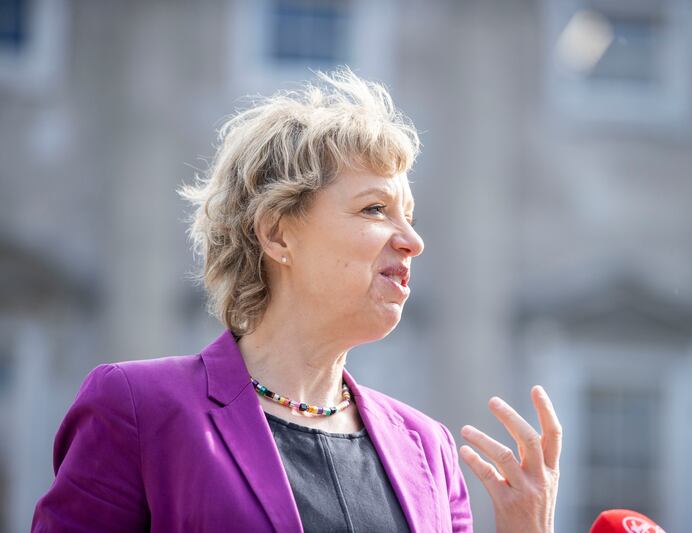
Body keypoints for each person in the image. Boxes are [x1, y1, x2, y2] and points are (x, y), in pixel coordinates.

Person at [31, 69, 561, 532]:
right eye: (375, 209)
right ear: (278, 235)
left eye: (411, 218)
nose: (412, 241)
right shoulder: (137, 408)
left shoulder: (429, 450)